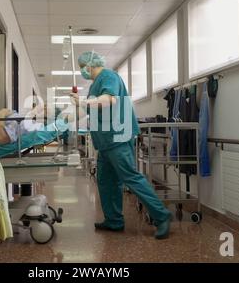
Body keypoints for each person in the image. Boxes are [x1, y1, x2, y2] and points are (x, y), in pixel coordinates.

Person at [70, 51, 172, 240]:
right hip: (105, 142)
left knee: (130, 178)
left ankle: (162, 216)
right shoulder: (94, 86)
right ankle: (114, 220)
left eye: (82, 66)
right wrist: (78, 105)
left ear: (89, 64)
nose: (82, 70)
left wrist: (85, 101)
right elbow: (92, 108)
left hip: (117, 138)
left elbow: (109, 100)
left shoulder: (109, 77)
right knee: (106, 181)